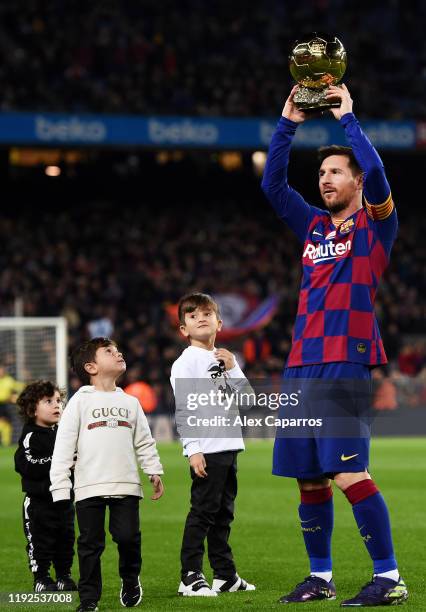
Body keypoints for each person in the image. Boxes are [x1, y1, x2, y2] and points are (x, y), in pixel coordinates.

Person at [261, 85, 408, 606]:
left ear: (358, 181)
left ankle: (389, 579)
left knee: (348, 471)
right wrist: (288, 122)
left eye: (336, 171)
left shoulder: (375, 227)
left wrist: (349, 121)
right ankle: (320, 578)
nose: (325, 178)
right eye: (322, 173)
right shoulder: (313, 227)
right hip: (302, 364)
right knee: (308, 478)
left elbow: (382, 176)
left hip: (345, 360)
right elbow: (274, 186)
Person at [50, 337, 164, 612]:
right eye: (109, 351)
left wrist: (153, 471)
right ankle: (89, 599)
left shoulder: (131, 402)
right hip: (89, 486)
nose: (118, 353)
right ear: (91, 367)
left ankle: (130, 578)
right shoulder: (79, 402)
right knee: (90, 545)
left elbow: (144, 441)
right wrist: (60, 487)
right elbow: (64, 445)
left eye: (117, 350)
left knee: (127, 537)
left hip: (126, 484)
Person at [170, 292, 255, 597]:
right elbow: (185, 408)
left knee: (223, 514)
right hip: (208, 448)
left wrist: (233, 367)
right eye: (192, 316)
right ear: (184, 329)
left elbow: (247, 402)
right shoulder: (186, 363)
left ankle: (225, 575)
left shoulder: (223, 359)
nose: (200, 318)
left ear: (219, 322)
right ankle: (190, 575)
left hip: (228, 445)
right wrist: (192, 449)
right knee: (203, 513)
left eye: (207, 313)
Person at [14, 380, 76, 593]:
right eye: (48, 401)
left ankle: (64, 576)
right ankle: (41, 578)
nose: (56, 405)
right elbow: (25, 463)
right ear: (32, 409)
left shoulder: (64, 433)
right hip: (39, 503)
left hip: (65, 499)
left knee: (66, 540)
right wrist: (57, 461)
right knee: (40, 542)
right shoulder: (31, 436)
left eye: (58, 400)